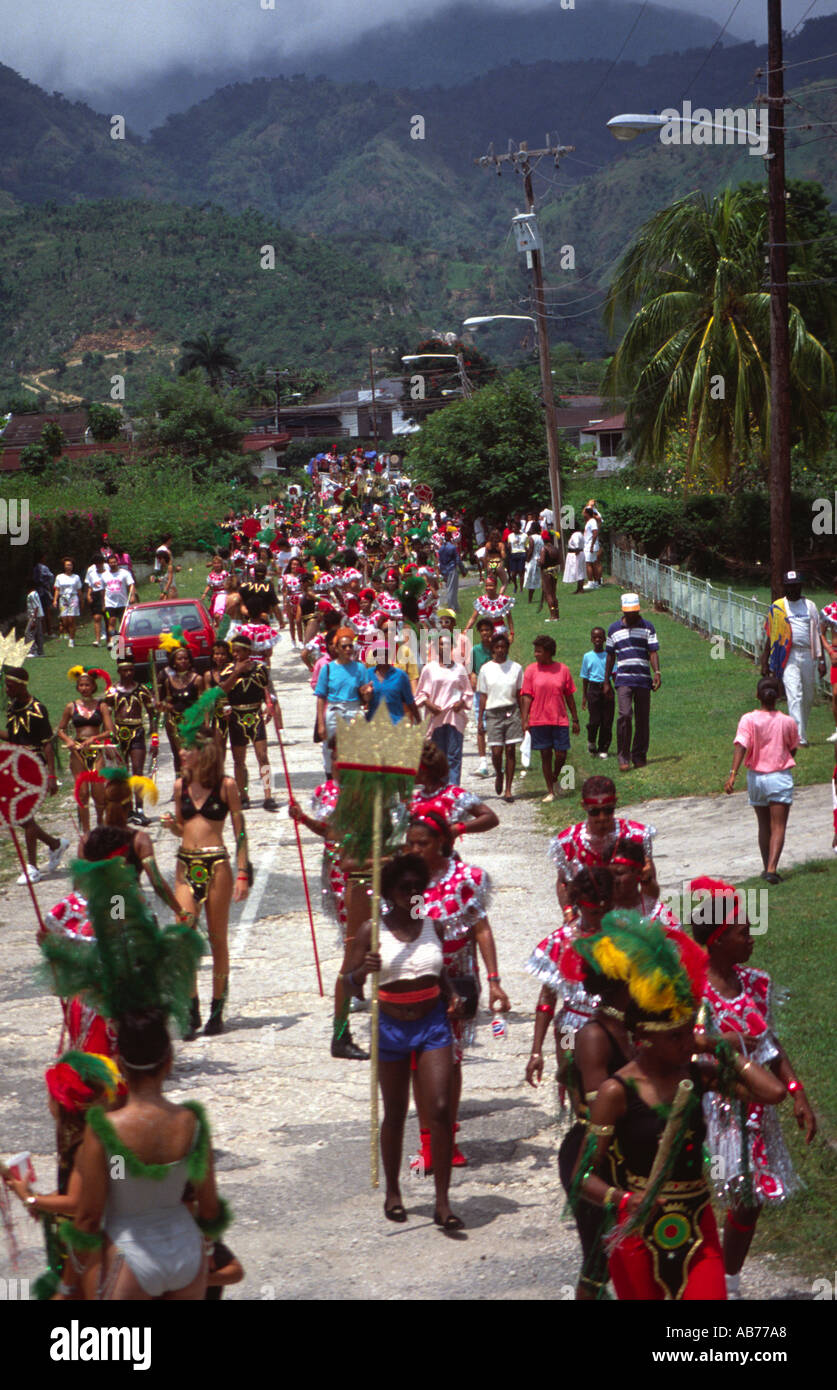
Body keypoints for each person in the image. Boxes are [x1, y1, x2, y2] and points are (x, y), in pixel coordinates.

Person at [574, 913, 786, 1301]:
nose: (687, 1042)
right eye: (677, 1037)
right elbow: (584, 1176)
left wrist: (718, 1047)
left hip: (697, 1225)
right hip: (638, 1229)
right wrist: (622, 1199)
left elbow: (772, 1092)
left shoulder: (698, 1075)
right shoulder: (615, 1092)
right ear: (644, 1040)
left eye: (689, 1032)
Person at [689, 877, 816, 1299]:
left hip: (758, 1108)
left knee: (749, 1197)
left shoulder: (756, 984)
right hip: (711, 1109)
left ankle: (728, 1280)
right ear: (720, 939)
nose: (751, 939)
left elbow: (770, 1044)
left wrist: (796, 1091)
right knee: (713, 1194)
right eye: (744, 932)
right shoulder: (694, 991)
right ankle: (697, 1277)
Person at [66, 1009, 227, 1300]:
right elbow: (210, 1209)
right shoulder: (191, 1123)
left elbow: (89, 1217)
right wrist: (209, 1252)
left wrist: (66, 1288)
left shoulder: (106, 1130)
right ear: (169, 1061)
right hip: (185, 1252)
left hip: (129, 1252)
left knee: (128, 1347)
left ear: (119, 1063)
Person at [340, 854, 464, 1228]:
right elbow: (347, 983)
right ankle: (394, 1191)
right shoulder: (370, 932)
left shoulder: (433, 926)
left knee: (441, 1108)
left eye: (417, 887)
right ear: (388, 893)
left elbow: (439, 972)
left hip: (432, 1025)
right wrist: (364, 969)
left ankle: (442, 1202)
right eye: (404, 888)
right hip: (390, 1028)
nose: (413, 893)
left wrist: (452, 993)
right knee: (395, 1111)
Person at [405, 810, 510, 1171]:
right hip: (418, 983)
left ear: (442, 843)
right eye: (411, 843)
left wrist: (494, 980)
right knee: (419, 1062)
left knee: (450, 1062)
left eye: (424, 843)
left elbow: (481, 929)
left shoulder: (467, 880)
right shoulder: (405, 882)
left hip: (459, 982)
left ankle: (448, 1137)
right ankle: (428, 1141)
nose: (416, 850)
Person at [162, 725, 249, 1037]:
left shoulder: (226, 786)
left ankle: (217, 1009)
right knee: (182, 938)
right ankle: (190, 1008)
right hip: (186, 864)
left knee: (217, 938)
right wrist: (172, 826)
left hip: (217, 865)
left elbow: (239, 831)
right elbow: (182, 827)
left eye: (189, 748)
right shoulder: (178, 786)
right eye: (182, 748)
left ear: (205, 752)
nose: (183, 753)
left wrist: (242, 872)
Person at [724, 676, 799, 884]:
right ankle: (772, 869)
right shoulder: (788, 721)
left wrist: (732, 774)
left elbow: (741, 746)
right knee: (778, 826)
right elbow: (793, 747)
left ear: (757, 696)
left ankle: (766, 866)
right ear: (779, 696)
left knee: (764, 825)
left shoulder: (748, 719)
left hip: (755, 778)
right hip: (779, 777)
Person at [549, 775, 656, 912]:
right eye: (594, 811)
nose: (602, 817)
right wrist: (569, 913)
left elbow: (651, 888)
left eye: (608, 810)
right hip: (589, 921)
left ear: (615, 803)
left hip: (630, 918)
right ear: (584, 806)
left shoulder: (637, 836)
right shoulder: (567, 843)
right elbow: (564, 882)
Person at [4, 666, 68, 883]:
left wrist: (51, 776)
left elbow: (48, 745)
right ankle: (55, 844)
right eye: (6, 685)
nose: (6, 689)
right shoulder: (13, 708)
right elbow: (13, 738)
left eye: (10, 685)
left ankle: (31, 867)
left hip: (35, 766)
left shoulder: (38, 709)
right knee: (18, 816)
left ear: (22, 685)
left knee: (24, 816)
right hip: (16, 765)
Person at [761, 570, 825, 747]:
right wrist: (765, 659)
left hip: (808, 655)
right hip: (787, 656)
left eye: (795, 586)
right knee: (794, 695)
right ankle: (798, 737)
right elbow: (770, 634)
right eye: (789, 586)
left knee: (808, 696)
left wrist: (821, 660)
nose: (792, 589)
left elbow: (818, 633)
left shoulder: (809, 606)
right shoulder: (778, 607)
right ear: (784, 587)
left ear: (800, 586)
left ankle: (801, 729)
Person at [220, 634, 280, 811]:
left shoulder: (261, 668)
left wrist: (270, 705)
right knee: (239, 760)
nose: (236, 655)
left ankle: (268, 795)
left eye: (239, 651)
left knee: (262, 756)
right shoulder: (227, 671)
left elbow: (269, 690)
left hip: (255, 715)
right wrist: (237, 671)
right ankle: (243, 794)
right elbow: (223, 691)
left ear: (248, 651)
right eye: (234, 652)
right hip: (237, 718)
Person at [604, 592, 661, 772]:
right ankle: (623, 756)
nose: (632, 615)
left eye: (634, 611)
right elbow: (610, 656)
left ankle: (639, 755)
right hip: (623, 680)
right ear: (623, 610)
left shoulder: (648, 627)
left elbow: (653, 652)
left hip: (643, 679)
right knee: (625, 715)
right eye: (628, 612)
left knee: (642, 719)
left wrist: (657, 672)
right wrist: (606, 681)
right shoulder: (613, 629)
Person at [520, 634, 580, 803]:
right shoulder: (531, 670)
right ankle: (550, 790)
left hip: (559, 719)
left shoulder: (563, 669)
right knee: (545, 754)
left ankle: (554, 776)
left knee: (561, 754)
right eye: (535, 651)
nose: (535, 654)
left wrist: (575, 719)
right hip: (539, 719)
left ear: (548, 652)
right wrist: (525, 719)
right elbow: (526, 696)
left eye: (539, 651)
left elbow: (569, 696)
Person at [57, 668, 115, 836]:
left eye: (87, 685)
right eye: (81, 685)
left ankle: (100, 823)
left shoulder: (102, 706)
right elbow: (60, 730)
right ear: (78, 687)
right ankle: (87, 831)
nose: (84, 688)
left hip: (96, 751)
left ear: (93, 686)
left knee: (99, 793)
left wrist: (94, 738)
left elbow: (110, 731)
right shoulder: (71, 707)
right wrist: (69, 741)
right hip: (78, 753)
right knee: (82, 793)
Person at [104, 658, 157, 824]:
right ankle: (127, 809)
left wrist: (154, 737)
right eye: (124, 670)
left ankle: (140, 809)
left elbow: (152, 714)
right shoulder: (112, 692)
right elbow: (106, 716)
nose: (128, 673)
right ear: (119, 672)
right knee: (122, 774)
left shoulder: (142, 690)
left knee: (138, 771)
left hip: (137, 732)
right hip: (119, 733)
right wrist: (109, 737)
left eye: (131, 670)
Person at [414, 638, 472, 787]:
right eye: (441, 643)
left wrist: (461, 703)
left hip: (454, 716)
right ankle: (438, 790)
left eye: (447, 644)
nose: (444, 646)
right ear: (435, 647)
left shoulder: (459, 669)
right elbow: (420, 693)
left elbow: (468, 692)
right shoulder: (429, 669)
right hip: (436, 718)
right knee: (437, 758)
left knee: (454, 756)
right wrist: (429, 704)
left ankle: (452, 792)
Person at [476, 631, 523, 801]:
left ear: (507, 648)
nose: (500, 650)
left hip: (511, 711)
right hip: (493, 712)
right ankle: (499, 773)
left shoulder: (516, 668)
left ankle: (509, 789)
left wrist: (524, 717)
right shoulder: (486, 669)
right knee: (496, 751)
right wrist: (480, 719)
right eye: (497, 647)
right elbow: (483, 695)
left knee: (510, 749)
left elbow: (519, 694)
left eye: (503, 646)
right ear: (493, 649)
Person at [160, 644, 202, 776]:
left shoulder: (197, 679)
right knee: (178, 754)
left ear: (190, 661)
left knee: (193, 752)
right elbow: (167, 700)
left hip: (192, 723)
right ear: (173, 662)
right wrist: (163, 705)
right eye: (179, 659)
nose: (183, 661)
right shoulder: (168, 680)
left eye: (185, 658)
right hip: (174, 723)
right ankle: (180, 782)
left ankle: (196, 781)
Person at [580, 626, 614, 758]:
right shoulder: (587, 656)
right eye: (595, 637)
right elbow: (585, 677)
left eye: (600, 637)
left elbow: (614, 673)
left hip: (607, 688)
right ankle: (591, 741)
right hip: (593, 690)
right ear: (591, 639)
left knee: (607, 721)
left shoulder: (609, 656)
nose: (598, 640)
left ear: (605, 639)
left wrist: (614, 688)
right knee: (595, 720)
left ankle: (603, 748)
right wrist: (584, 696)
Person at [469, 617, 496, 778]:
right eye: (483, 630)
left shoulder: (497, 648)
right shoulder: (475, 650)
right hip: (480, 691)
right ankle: (483, 762)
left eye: (488, 629)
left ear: (492, 631)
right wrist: (472, 678)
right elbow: (472, 670)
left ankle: (496, 759)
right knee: (481, 726)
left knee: (495, 726)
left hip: (495, 692)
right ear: (479, 632)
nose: (485, 633)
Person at [103, 551, 136, 653]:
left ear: (117, 562)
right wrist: (103, 603)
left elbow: (131, 584)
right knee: (111, 621)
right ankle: (112, 641)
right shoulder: (105, 575)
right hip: (110, 603)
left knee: (123, 624)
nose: (113, 564)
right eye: (110, 563)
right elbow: (103, 590)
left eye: (114, 562)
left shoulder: (124, 573)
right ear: (108, 564)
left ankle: (123, 643)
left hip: (122, 603)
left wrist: (132, 595)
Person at [53, 558, 83, 648]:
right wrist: (55, 600)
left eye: (70, 565)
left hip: (73, 598)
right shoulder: (59, 577)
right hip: (63, 599)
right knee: (64, 620)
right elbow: (57, 589)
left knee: (71, 619)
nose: (69, 567)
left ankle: (71, 639)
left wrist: (82, 600)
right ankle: (68, 632)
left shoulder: (76, 577)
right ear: (64, 566)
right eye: (67, 565)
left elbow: (79, 590)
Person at [83, 554, 108, 646]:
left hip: (106, 596)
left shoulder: (108, 573)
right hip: (96, 596)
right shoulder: (92, 573)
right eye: (96, 563)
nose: (98, 565)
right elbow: (90, 585)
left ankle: (110, 640)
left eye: (100, 563)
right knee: (97, 617)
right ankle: (98, 640)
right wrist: (88, 595)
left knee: (108, 617)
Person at [539, 534, 562, 621]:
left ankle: (553, 616)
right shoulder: (555, 549)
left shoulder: (544, 549)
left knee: (548, 594)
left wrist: (538, 562)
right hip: (555, 571)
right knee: (553, 593)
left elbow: (542, 562)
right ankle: (557, 614)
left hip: (546, 572)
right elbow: (559, 561)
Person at [581, 505, 601, 590]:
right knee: (593, 564)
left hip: (590, 546)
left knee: (588, 564)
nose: (583, 514)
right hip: (589, 545)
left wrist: (592, 545)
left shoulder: (592, 521)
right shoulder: (589, 521)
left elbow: (595, 533)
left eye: (584, 513)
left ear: (587, 513)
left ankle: (591, 582)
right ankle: (596, 583)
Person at [562, 525, 586, 595]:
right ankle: (579, 588)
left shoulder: (575, 535)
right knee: (580, 571)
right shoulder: (580, 534)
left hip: (576, 554)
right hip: (580, 553)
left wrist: (576, 551)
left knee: (578, 571)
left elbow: (577, 544)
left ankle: (580, 589)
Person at [523, 528, 544, 604]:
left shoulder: (531, 537)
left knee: (531, 580)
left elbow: (531, 549)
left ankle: (530, 599)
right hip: (540, 558)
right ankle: (543, 598)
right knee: (542, 580)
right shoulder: (541, 537)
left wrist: (527, 559)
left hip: (533, 560)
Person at [25, 582, 45, 657]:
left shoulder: (31, 595)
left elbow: (36, 607)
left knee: (28, 632)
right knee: (38, 634)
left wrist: (33, 619)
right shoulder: (36, 593)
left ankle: (32, 651)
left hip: (35, 616)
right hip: (39, 616)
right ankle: (40, 652)